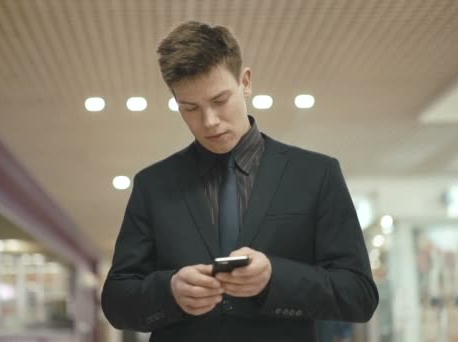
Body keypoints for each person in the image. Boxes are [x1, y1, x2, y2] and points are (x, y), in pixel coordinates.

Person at [101, 21, 378, 341]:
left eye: (219, 101)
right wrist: (170, 291)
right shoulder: (153, 185)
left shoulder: (316, 175)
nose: (209, 122)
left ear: (245, 82)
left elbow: (359, 295)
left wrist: (276, 279)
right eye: (189, 108)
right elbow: (116, 300)